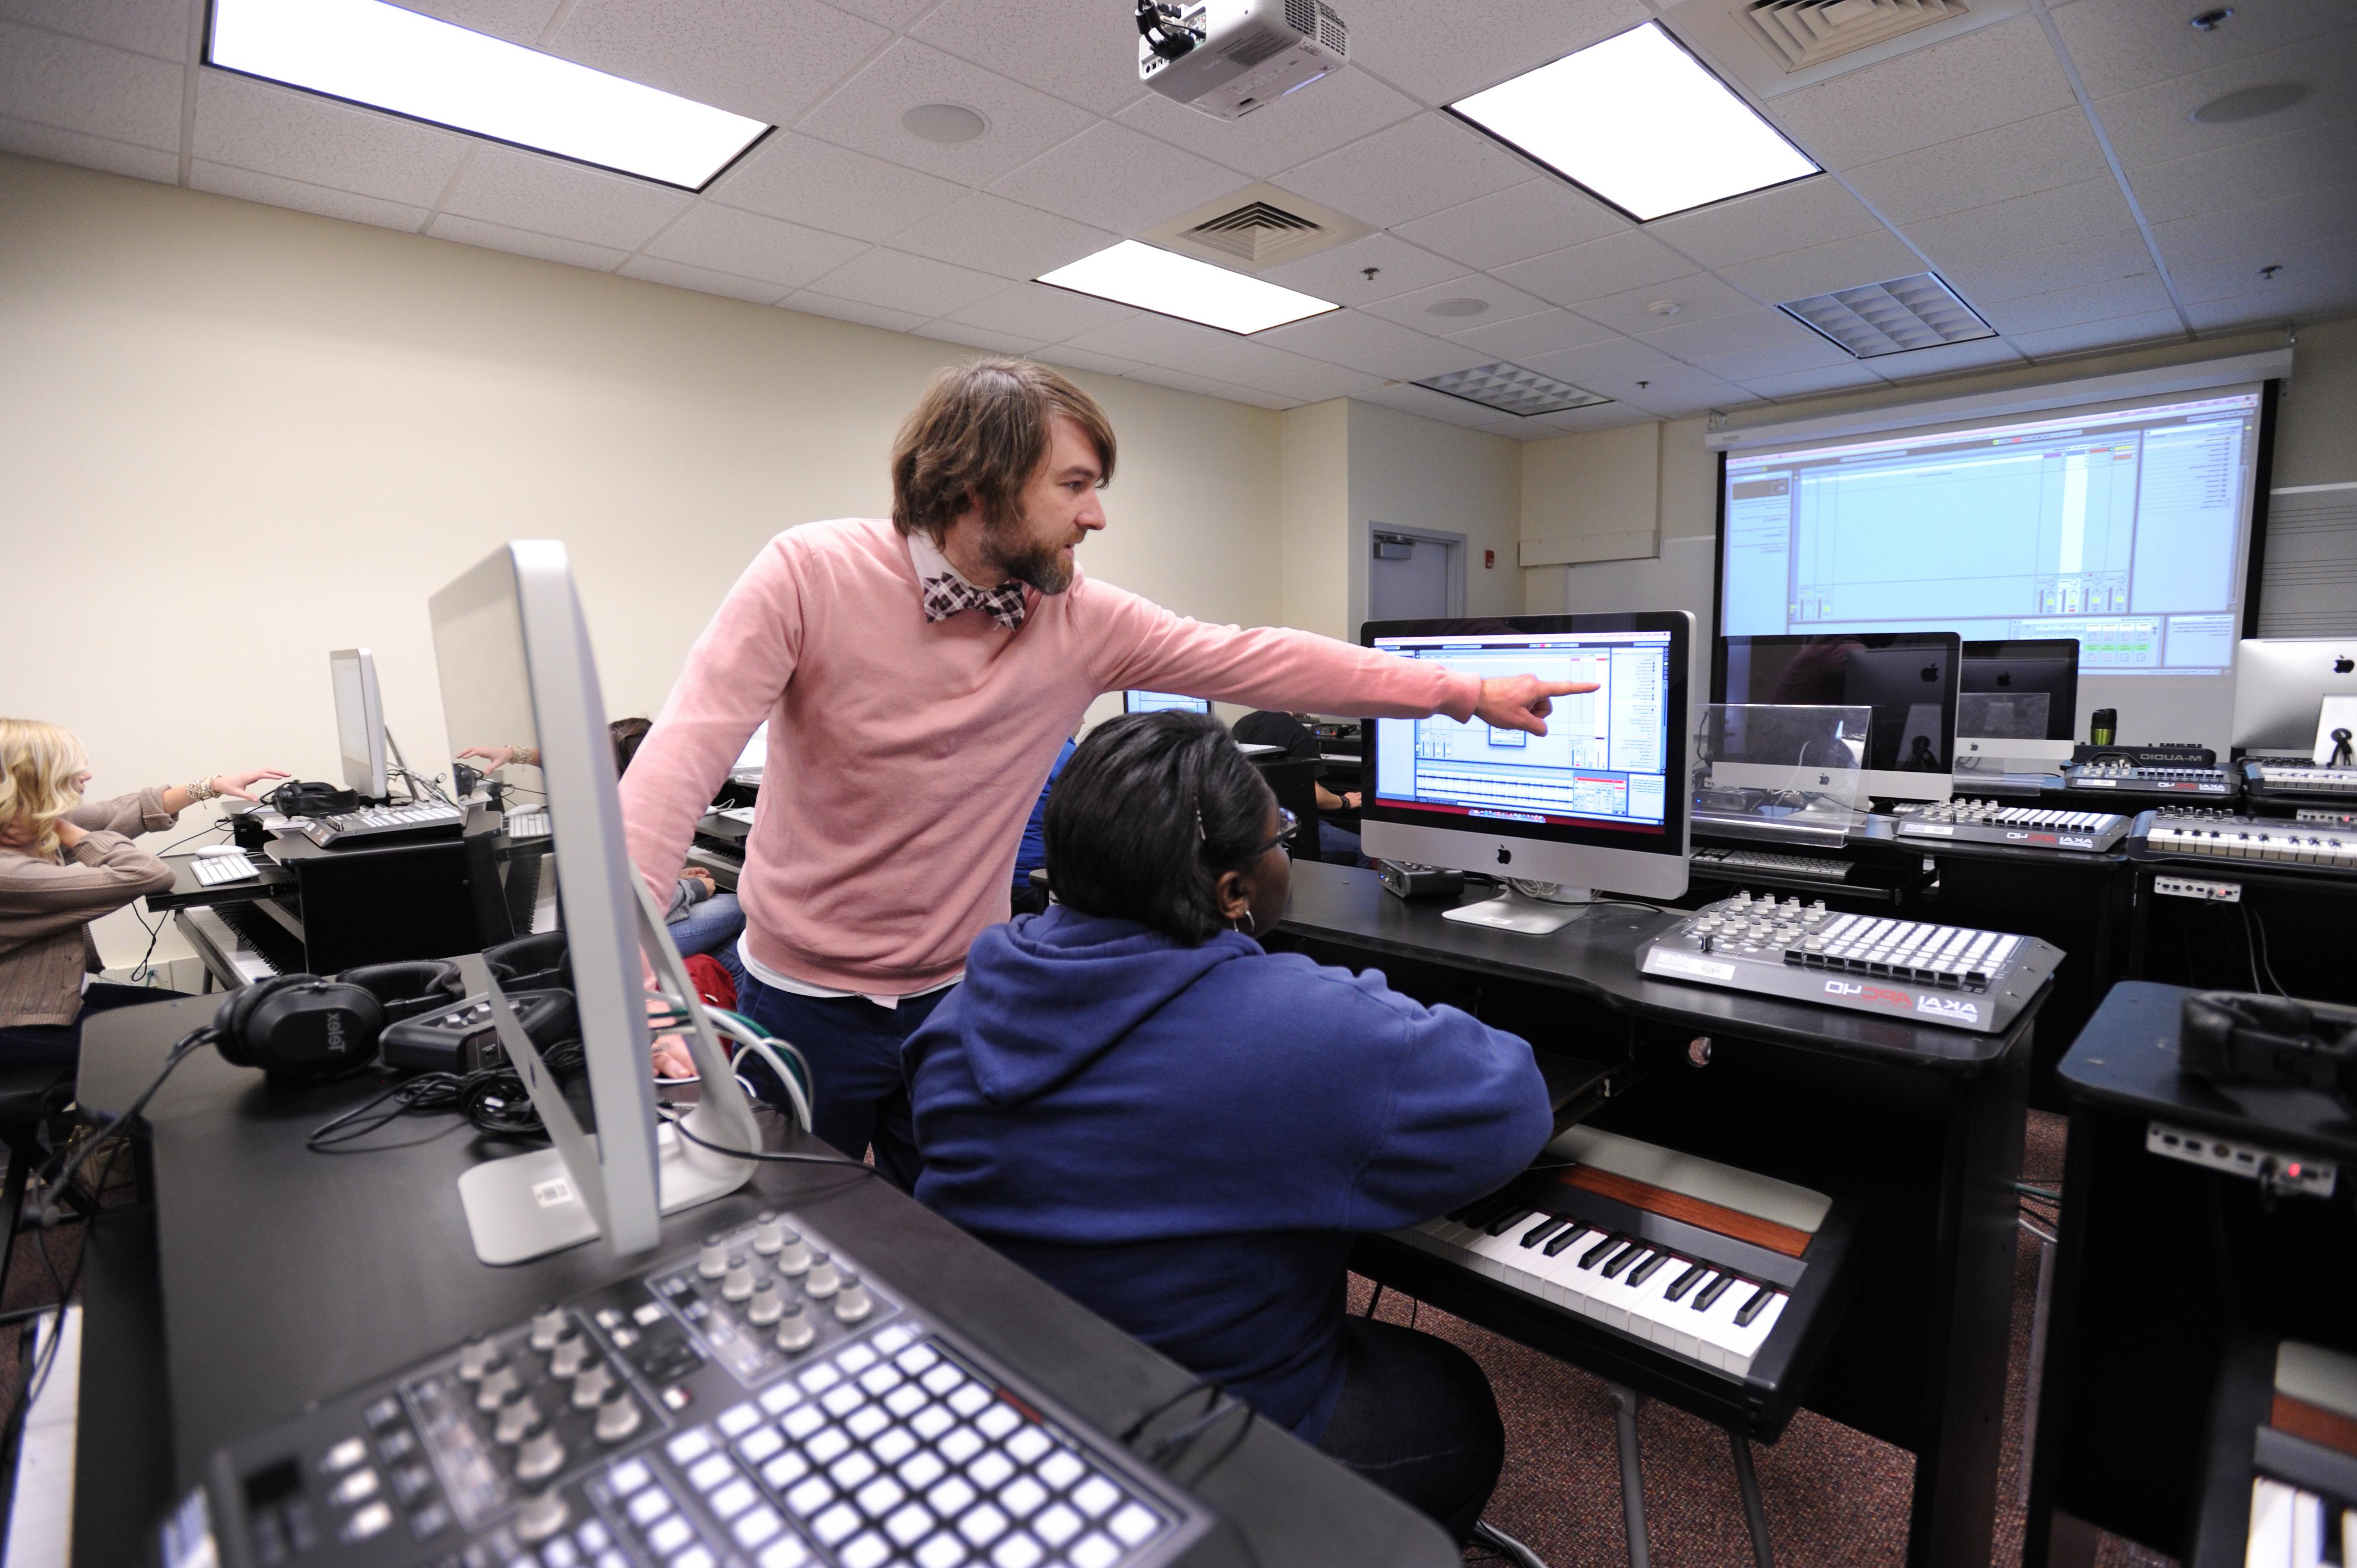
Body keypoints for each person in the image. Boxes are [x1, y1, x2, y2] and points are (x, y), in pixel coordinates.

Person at [617, 357, 1588, 1187]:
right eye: (1075, 486)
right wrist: (634, 986)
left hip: (962, 996)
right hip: (802, 997)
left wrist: (1464, 691)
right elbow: (677, 764)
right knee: (795, 1242)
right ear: (976, 484)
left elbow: (1260, 657)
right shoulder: (808, 573)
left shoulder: (1080, 617)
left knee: (956, 1254)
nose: (1098, 517)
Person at [905, 711, 1551, 1541]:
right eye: (1281, 835)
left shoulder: (962, 1010)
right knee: (1455, 1398)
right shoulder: (1301, 1028)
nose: (1287, 847)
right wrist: (1351, 999)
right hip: (1199, 1439)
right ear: (1234, 891)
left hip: (1012, 1412)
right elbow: (1514, 1097)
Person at [0, 719, 286, 1065]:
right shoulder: (10, 872)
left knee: (218, 1015)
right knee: (215, 1045)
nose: (86, 776)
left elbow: (112, 815)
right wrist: (64, 826)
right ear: (28, 783)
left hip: (57, 1000)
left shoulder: (19, 830)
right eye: (69, 769)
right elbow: (146, 874)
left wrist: (210, 786)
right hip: (21, 1024)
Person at [609, 718, 745, 971]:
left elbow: (631, 883)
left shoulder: (607, 810)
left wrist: (676, 879)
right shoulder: (637, 819)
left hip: (614, 937)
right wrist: (693, 888)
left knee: (727, 953)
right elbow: (639, 907)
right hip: (628, 945)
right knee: (740, 905)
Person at [1233, 708, 1362, 862]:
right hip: (1293, 830)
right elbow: (1314, 795)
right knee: (1365, 851)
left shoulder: (1242, 724)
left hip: (1251, 828)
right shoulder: (1294, 730)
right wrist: (1345, 802)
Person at [1009, 734, 1075, 914]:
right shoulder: (1064, 754)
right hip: (1034, 883)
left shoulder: (1007, 749)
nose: (1084, 721)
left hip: (997, 885)